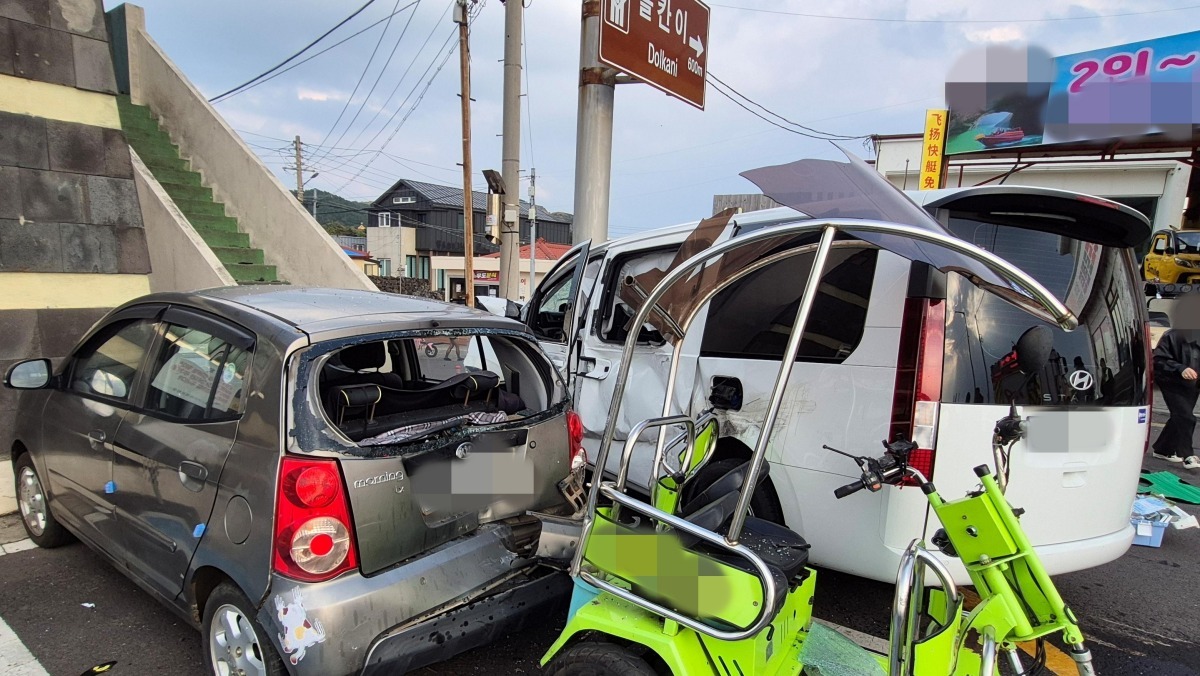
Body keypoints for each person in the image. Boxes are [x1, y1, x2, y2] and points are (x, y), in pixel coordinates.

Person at [1152, 294, 1200, 468]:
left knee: (1179, 417)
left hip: (1192, 384)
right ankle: (1187, 455)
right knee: (1186, 418)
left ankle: (1163, 449)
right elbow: (1159, 360)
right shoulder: (1172, 336)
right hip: (1171, 382)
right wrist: (1181, 368)